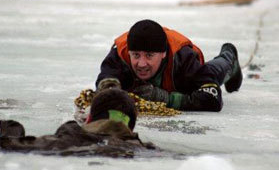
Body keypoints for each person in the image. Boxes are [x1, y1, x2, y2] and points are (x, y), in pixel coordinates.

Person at [96, 19, 243, 112]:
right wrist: (109, 90)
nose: (141, 63)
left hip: (189, 76)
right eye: (136, 55)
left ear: (163, 53)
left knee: (213, 72)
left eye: (149, 55)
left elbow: (212, 99)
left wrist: (165, 99)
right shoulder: (120, 55)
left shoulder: (184, 58)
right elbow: (106, 79)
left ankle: (229, 57)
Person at [0, 88, 156, 157]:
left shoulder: (69, 136)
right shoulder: (142, 150)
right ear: (131, 128)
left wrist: (10, 127)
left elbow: (7, 144)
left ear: (88, 119)